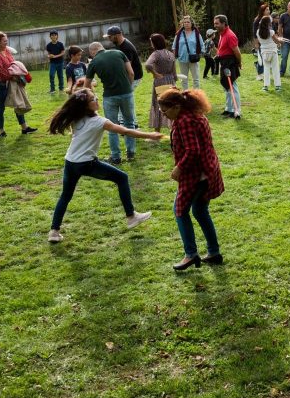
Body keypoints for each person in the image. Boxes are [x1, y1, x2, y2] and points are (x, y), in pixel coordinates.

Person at [47, 88, 157, 243]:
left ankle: (54, 231)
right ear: (86, 106)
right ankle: (131, 217)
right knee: (122, 178)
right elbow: (125, 130)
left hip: (70, 162)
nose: (96, 100)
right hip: (86, 163)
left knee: (65, 196)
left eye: (95, 97)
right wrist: (150, 135)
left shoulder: (76, 118)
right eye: (93, 99)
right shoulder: (100, 122)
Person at [157, 88, 225, 271]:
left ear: (177, 106)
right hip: (207, 170)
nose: (164, 115)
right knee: (201, 212)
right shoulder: (194, 114)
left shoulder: (184, 121)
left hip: (196, 175)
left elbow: (193, 151)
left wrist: (179, 168)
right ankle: (214, 252)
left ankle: (190, 254)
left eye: (165, 112)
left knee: (180, 211)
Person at [84, 40, 136, 164]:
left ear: (92, 52)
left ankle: (116, 156)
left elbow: (86, 85)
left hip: (109, 96)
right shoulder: (119, 53)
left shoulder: (94, 62)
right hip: (127, 93)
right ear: (102, 47)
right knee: (129, 123)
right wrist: (128, 87)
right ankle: (131, 152)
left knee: (112, 126)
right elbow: (131, 72)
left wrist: (91, 97)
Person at [0, 33, 37, 137]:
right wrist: (14, 77)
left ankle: (24, 128)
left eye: (6, 40)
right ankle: (1, 131)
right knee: (1, 107)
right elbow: (1, 71)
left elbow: (13, 64)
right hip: (1, 84)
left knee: (18, 103)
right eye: (4, 41)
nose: (6, 42)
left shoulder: (7, 51)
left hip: (12, 82)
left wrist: (19, 75)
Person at [144, 33, 177, 132]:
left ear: (155, 43)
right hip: (170, 81)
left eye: (151, 42)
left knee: (158, 104)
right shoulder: (170, 54)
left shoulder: (156, 54)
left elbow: (148, 65)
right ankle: (174, 129)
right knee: (171, 104)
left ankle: (156, 132)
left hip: (160, 81)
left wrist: (155, 73)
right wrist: (174, 84)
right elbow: (174, 72)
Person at [214, 15, 244, 119]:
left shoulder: (230, 35)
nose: (215, 25)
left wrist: (239, 63)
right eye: (215, 23)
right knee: (227, 87)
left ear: (223, 23)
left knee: (233, 87)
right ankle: (229, 109)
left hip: (230, 62)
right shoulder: (222, 33)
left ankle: (237, 111)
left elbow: (237, 52)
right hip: (224, 62)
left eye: (217, 23)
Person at [172, 16, 204, 90]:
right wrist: (174, 57)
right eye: (184, 22)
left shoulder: (196, 33)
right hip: (182, 59)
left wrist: (198, 54)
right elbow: (174, 47)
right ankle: (185, 95)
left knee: (196, 79)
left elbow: (202, 45)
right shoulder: (178, 34)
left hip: (194, 59)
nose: (186, 23)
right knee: (184, 79)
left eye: (188, 22)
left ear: (192, 23)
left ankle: (196, 96)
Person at [256, 15, 283, 91]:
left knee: (266, 69)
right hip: (273, 51)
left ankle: (265, 86)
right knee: (275, 69)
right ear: (268, 23)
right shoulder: (271, 32)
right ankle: (277, 86)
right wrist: (281, 41)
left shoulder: (258, 32)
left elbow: (260, 41)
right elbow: (276, 41)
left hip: (264, 52)